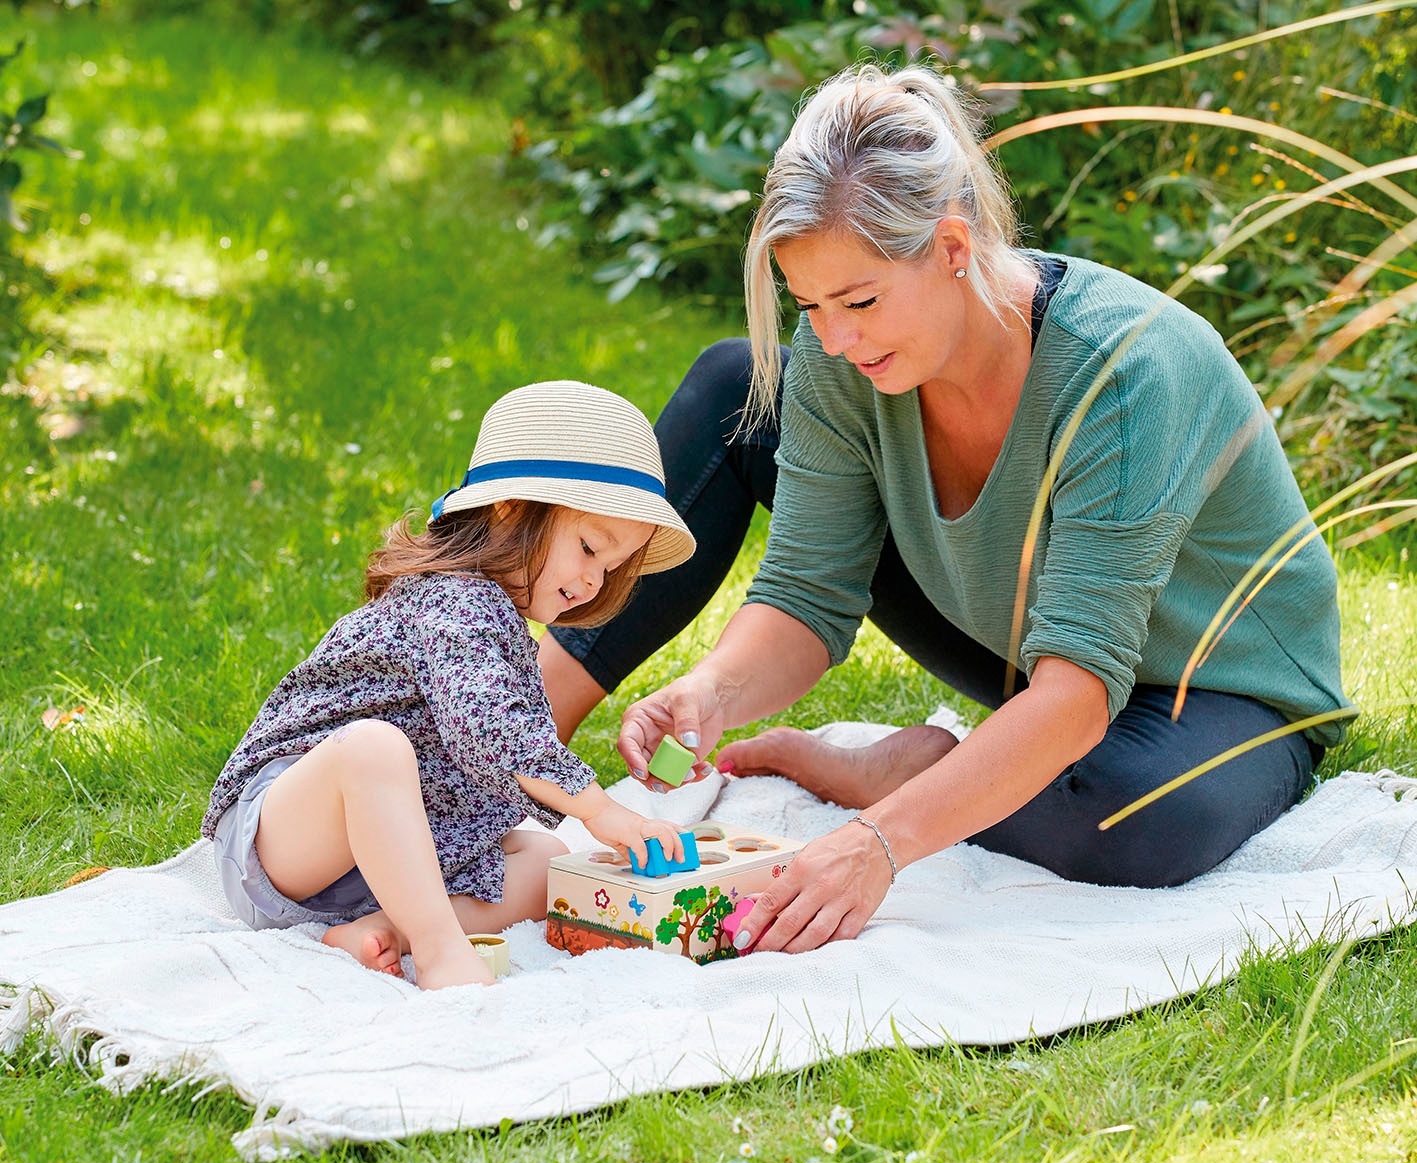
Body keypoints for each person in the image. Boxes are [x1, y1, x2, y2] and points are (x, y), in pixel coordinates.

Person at [538, 61, 1353, 955]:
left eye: (859, 300)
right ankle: (513, 741)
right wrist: (714, 690)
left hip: (1216, 686)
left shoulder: (1122, 373)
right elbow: (807, 594)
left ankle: (918, 769)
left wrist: (876, 841)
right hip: (1023, 640)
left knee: (1139, 822)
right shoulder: (838, 351)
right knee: (736, 387)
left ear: (954, 249)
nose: (835, 338)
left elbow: (1077, 698)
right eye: (810, 303)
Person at [203, 380, 696, 989]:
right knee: (372, 747)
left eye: (611, 566)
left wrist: (580, 817)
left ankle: (385, 928)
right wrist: (598, 808)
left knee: (548, 860)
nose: (594, 580)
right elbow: (492, 732)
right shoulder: (452, 601)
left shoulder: (500, 619)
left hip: (384, 856)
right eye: (589, 547)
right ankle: (438, 950)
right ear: (509, 508)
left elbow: (498, 766)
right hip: (288, 842)